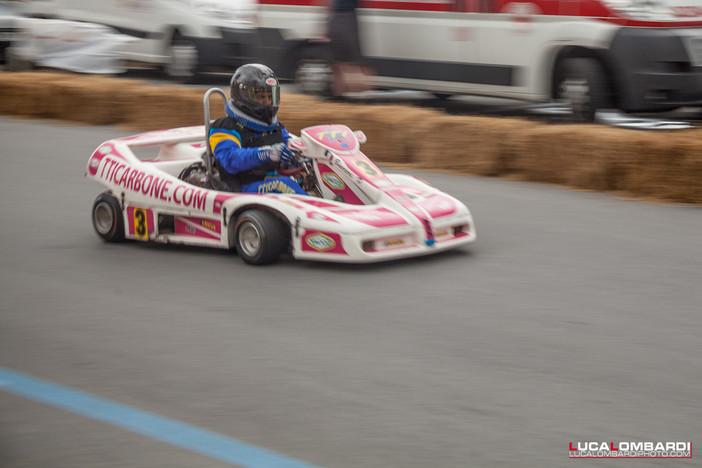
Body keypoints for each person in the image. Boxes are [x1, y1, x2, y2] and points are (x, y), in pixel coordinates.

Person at [209, 64, 306, 194]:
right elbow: (230, 159)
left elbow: (291, 145)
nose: (267, 102)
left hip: (271, 182)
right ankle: (322, 213)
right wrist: (266, 153)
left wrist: (304, 155)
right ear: (243, 97)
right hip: (241, 189)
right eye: (261, 97)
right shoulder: (224, 128)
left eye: (269, 97)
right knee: (283, 185)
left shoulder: (275, 127)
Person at [327, 0, 373, 97]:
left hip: (345, 16)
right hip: (340, 16)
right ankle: (339, 100)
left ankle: (356, 100)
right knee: (338, 65)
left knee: (351, 66)